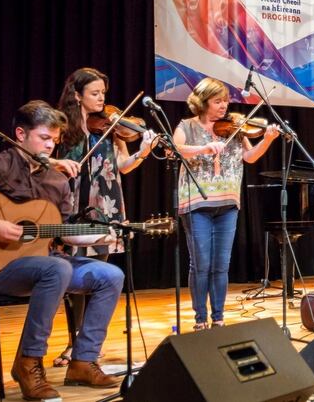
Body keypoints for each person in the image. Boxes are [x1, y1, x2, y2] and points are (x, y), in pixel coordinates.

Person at [0, 100, 124, 400]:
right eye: (44, 138)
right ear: (20, 134)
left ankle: (82, 361)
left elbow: (65, 233)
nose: (50, 146)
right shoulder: (1, 164)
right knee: (58, 267)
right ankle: (28, 363)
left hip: (43, 263)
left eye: (55, 141)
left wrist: (101, 237)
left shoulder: (57, 180)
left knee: (109, 275)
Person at [50, 67, 159, 367]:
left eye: (103, 94)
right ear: (77, 95)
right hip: (72, 205)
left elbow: (123, 165)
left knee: (99, 273)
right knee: (73, 277)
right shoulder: (63, 126)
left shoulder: (111, 127)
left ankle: (89, 344)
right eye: (95, 93)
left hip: (107, 205)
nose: (101, 100)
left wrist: (144, 152)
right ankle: (74, 341)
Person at [174, 77, 280, 330]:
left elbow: (249, 157)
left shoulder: (234, 126)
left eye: (225, 100)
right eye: (217, 101)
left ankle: (218, 318)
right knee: (201, 263)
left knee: (221, 265)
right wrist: (204, 149)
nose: (224, 106)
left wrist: (267, 139)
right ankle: (200, 319)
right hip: (196, 202)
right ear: (203, 102)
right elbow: (175, 149)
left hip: (228, 203)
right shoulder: (186, 126)